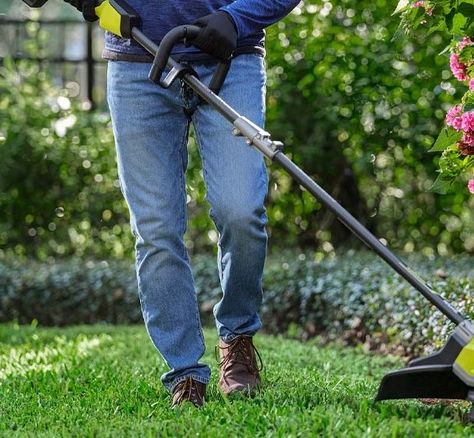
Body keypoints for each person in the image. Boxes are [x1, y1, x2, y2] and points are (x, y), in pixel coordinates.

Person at [63, 0, 300, 407]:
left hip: (231, 59)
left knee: (241, 210)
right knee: (155, 229)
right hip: (138, 63)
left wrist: (237, 18)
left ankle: (237, 339)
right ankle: (185, 373)